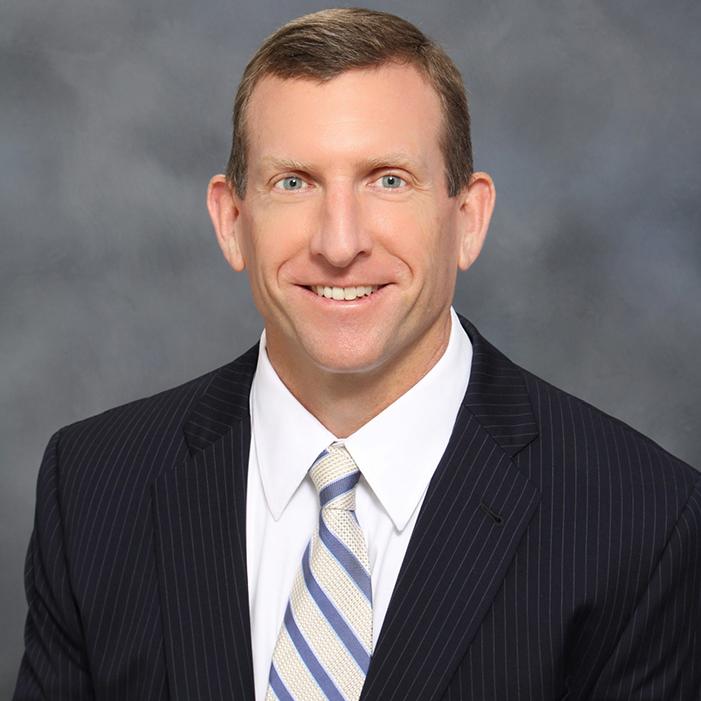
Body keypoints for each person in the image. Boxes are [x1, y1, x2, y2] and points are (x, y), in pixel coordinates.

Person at [13, 8, 700, 701]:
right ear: (231, 222)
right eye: (294, 182)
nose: (339, 244)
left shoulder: (640, 522)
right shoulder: (94, 488)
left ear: (467, 219)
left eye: (388, 179)